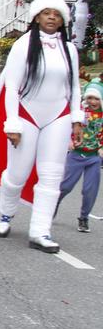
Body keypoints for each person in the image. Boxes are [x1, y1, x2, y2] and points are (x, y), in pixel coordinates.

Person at [0, 0, 81, 253]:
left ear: (62, 21)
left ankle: (40, 231)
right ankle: (6, 214)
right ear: (37, 17)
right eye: (46, 13)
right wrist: (12, 123)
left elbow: (74, 87)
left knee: (52, 176)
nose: (51, 18)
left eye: (56, 15)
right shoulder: (23, 45)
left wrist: (76, 119)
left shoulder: (68, 49)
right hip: (27, 115)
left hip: (57, 116)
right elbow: (13, 86)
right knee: (17, 174)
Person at [56, 81, 103, 233]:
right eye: (90, 98)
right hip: (76, 155)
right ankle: (53, 204)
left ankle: (84, 218)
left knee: (90, 189)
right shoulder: (80, 113)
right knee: (66, 186)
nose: (93, 102)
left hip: (94, 157)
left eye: (96, 99)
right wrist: (69, 141)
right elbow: (66, 126)